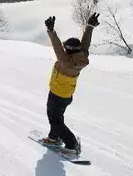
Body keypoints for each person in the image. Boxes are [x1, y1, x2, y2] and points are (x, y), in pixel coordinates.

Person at [41, 13, 100, 156]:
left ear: (67, 49)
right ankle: (54, 138)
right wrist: (90, 27)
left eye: (65, 47)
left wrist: (51, 31)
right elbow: (85, 44)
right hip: (66, 95)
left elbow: (57, 48)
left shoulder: (65, 62)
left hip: (56, 94)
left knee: (55, 120)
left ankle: (72, 144)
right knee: (57, 117)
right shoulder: (81, 57)